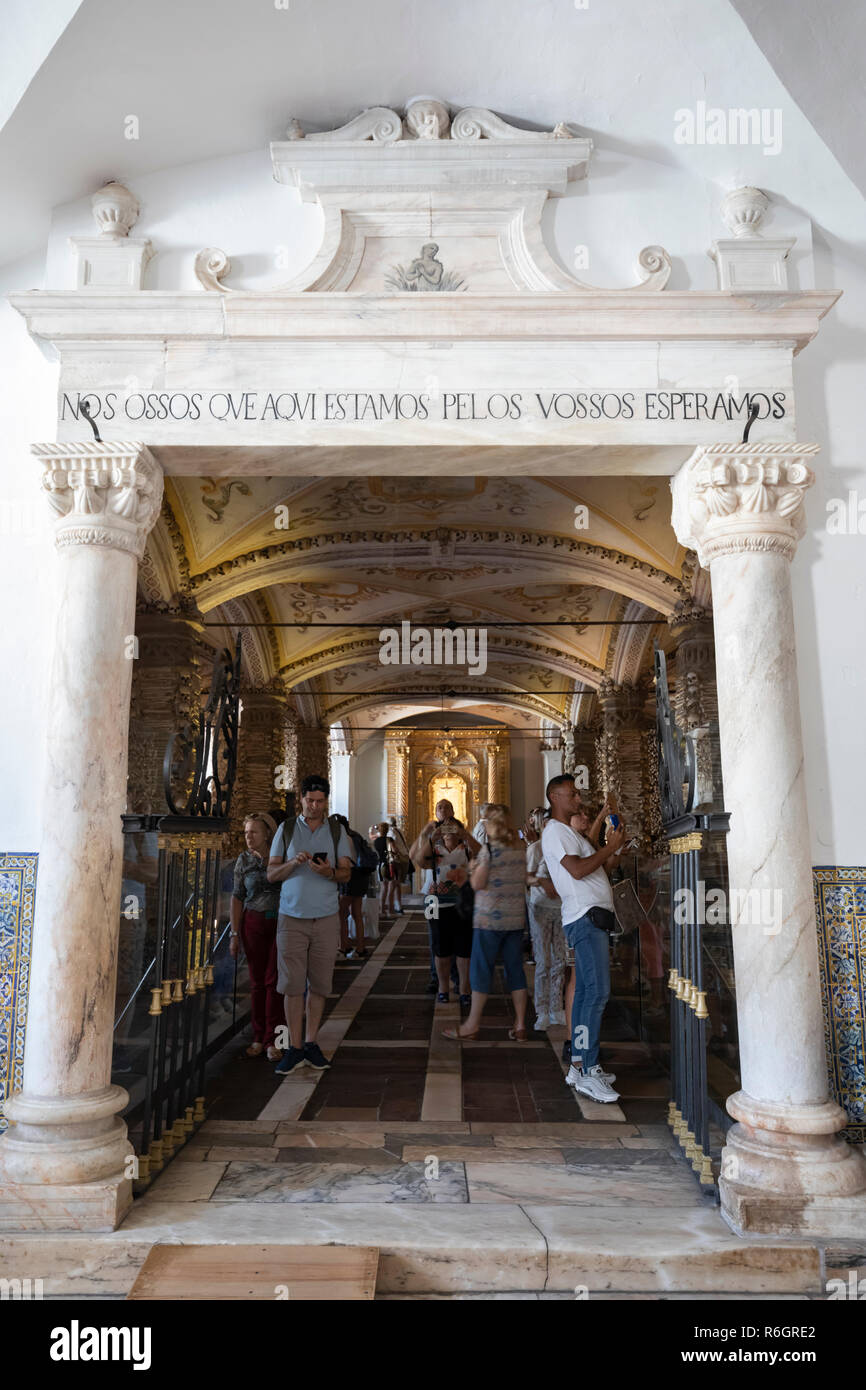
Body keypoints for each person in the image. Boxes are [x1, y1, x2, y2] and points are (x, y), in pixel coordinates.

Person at [542, 775, 626, 1103]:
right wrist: (610, 847)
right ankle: (586, 1069)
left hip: (591, 918)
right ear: (555, 797)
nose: (578, 799)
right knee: (594, 994)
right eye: (572, 794)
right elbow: (577, 871)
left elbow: (592, 862)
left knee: (589, 993)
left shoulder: (569, 833)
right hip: (584, 918)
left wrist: (609, 838)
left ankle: (580, 1066)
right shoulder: (554, 832)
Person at [267, 774, 355, 1075]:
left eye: (320, 802)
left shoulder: (336, 831)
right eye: (310, 801)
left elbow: (347, 874)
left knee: (319, 984)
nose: (314, 806)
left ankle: (312, 1041)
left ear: (326, 801)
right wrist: (293, 863)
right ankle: (294, 1047)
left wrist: (329, 872)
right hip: (291, 917)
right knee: (292, 985)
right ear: (300, 798)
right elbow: (271, 874)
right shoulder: (286, 829)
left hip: (326, 917)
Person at [443, 808, 528, 1041]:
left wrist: (471, 872)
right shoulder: (521, 849)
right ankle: (520, 1024)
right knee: (515, 969)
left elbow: (479, 884)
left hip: (489, 919)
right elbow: (524, 878)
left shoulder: (490, 851)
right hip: (515, 918)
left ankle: (472, 1024)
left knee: (481, 969)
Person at [231, 812, 283, 1062]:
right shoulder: (243, 860)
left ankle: (275, 1040)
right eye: (246, 832)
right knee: (257, 982)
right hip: (253, 923)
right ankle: (258, 1035)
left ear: (267, 835)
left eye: (253, 832)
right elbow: (237, 897)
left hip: (280, 922)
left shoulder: (280, 857)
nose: (248, 837)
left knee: (275, 982)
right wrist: (234, 933)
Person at [410, 816, 474, 1002]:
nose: (449, 831)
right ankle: (442, 987)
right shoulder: (435, 848)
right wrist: (431, 838)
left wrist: (466, 835)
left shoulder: (466, 849)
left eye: (453, 827)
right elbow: (420, 861)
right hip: (434, 901)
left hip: (463, 902)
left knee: (463, 948)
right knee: (439, 946)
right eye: (445, 828)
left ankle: (464, 989)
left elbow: (480, 855)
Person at [525, 806, 566, 1031]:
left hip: (560, 908)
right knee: (543, 961)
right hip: (540, 907)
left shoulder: (564, 847)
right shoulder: (536, 848)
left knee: (559, 959)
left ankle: (556, 1008)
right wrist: (543, 882)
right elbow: (527, 877)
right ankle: (541, 1010)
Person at [334, 814, 376, 959]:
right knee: (356, 914)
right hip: (360, 875)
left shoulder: (340, 839)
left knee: (341, 914)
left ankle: (343, 946)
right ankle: (360, 948)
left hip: (349, 877)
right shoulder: (354, 835)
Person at [374, 820, 398, 916]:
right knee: (391, 887)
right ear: (387, 830)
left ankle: (381, 910)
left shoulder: (376, 841)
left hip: (380, 865)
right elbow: (394, 850)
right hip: (390, 864)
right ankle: (390, 910)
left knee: (383, 888)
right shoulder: (389, 839)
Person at [388, 817, 411, 908]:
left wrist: (395, 854)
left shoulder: (391, 832)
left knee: (393, 884)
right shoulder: (399, 830)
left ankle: (391, 907)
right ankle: (398, 905)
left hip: (398, 860)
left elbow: (393, 847)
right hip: (405, 857)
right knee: (398, 883)